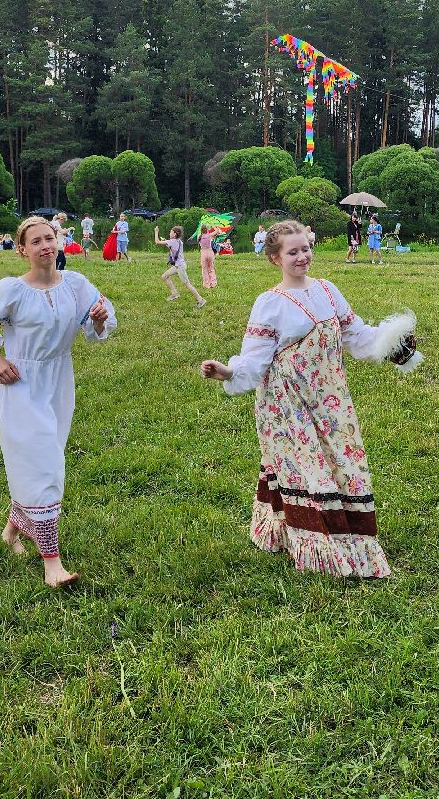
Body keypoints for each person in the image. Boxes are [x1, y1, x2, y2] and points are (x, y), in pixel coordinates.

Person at [199, 220, 420, 579]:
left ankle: (332, 532)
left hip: (330, 400)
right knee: (308, 469)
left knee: (341, 465)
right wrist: (226, 372)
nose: (302, 257)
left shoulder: (328, 291)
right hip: (285, 404)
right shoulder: (269, 303)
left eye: (305, 249)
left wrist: (393, 340)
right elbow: (255, 359)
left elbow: (357, 334)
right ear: (275, 258)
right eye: (292, 252)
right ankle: (318, 545)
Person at [0, 216, 116, 588]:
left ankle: (12, 530)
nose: (46, 246)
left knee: (44, 459)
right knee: (44, 465)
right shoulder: (10, 290)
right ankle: (52, 564)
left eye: (50, 238)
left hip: (58, 382)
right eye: (36, 241)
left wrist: (97, 321)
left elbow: (101, 327)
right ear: (22, 250)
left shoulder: (76, 285)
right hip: (22, 384)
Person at [155, 225, 207, 307]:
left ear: (175, 234)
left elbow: (157, 242)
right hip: (179, 265)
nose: (170, 233)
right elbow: (172, 247)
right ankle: (175, 293)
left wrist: (156, 231)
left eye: (171, 232)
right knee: (164, 276)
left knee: (187, 284)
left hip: (180, 267)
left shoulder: (171, 241)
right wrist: (166, 241)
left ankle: (201, 300)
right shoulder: (179, 241)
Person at [198, 222, 218, 289]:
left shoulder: (200, 236)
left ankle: (207, 284)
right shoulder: (209, 235)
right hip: (210, 252)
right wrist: (213, 225)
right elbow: (217, 231)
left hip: (203, 253)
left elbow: (199, 234)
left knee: (204, 269)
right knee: (211, 268)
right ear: (207, 229)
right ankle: (213, 283)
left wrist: (201, 226)